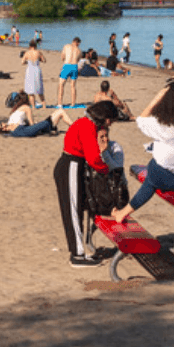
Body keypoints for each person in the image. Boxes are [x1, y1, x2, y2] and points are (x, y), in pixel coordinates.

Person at [111, 75, 174, 223]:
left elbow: (141, 118)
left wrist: (161, 93)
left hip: (162, 177)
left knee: (152, 174)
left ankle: (123, 213)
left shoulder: (163, 126)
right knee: (155, 171)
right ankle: (123, 212)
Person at [54, 100, 119, 267]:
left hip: (72, 165)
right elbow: (93, 157)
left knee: (76, 209)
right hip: (72, 165)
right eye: (110, 120)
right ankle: (77, 255)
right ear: (104, 118)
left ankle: (80, 250)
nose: (110, 123)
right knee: (73, 211)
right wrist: (106, 170)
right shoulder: (88, 126)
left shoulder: (84, 122)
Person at [0, 92, 73, 137]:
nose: (2, 123)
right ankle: (75, 128)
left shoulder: (11, 120)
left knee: (58, 113)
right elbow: (32, 125)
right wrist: (39, 123)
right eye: (1, 125)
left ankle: (52, 128)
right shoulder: (25, 108)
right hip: (25, 131)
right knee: (59, 112)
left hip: (24, 130)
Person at [56, 37, 82, 107]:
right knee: (73, 86)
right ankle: (73, 103)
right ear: (78, 43)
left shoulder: (66, 46)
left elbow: (62, 57)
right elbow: (78, 60)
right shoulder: (79, 51)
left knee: (61, 84)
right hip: (74, 66)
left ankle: (60, 103)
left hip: (67, 66)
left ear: (73, 41)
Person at [21, 40, 46, 105]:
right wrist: (39, 59)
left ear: (29, 46)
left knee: (30, 90)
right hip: (37, 69)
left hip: (30, 70)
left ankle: (33, 106)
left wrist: (27, 61)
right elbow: (44, 60)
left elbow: (22, 62)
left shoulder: (27, 53)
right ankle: (44, 105)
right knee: (39, 88)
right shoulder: (38, 52)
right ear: (35, 46)